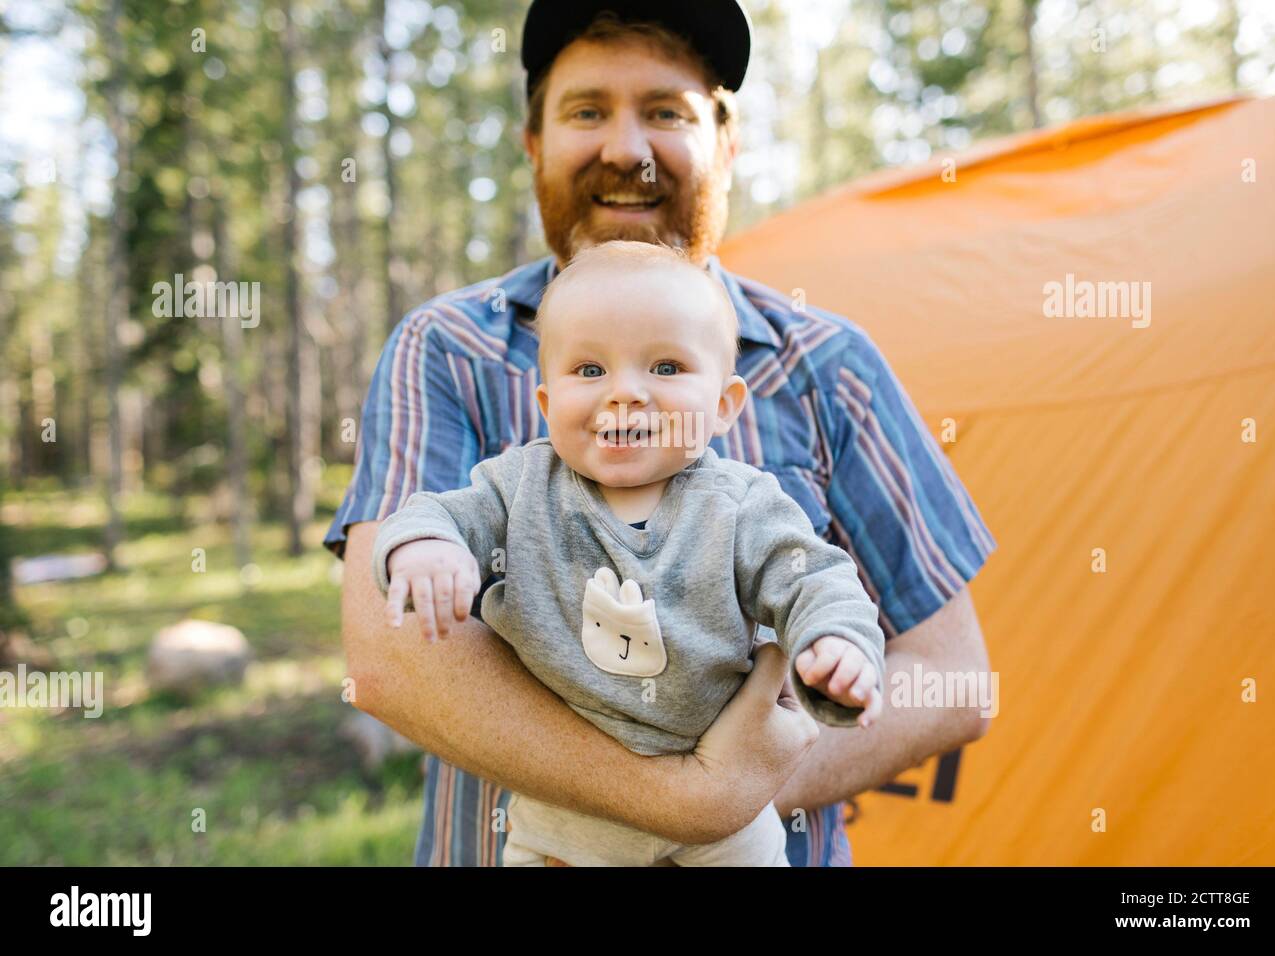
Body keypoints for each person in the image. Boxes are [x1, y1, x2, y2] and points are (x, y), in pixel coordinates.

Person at [327, 0, 997, 867]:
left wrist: (740, 797)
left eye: (666, 111)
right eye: (587, 110)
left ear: (726, 142)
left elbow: (954, 681)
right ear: (534, 142)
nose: (626, 148)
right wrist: (685, 798)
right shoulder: (447, 349)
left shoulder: (830, 363)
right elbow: (391, 656)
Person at [370, 241, 887, 866]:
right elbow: (436, 511)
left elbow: (815, 579)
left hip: (728, 825)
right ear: (547, 403)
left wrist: (835, 642)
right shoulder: (518, 487)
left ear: (723, 406)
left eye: (666, 368)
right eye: (590, 371)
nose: (626, 394)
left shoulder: (743, 506)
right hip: (567, 810)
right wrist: (427, 546)